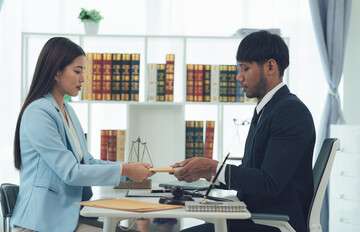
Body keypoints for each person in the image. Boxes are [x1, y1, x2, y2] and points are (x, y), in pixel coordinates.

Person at [172, 30, 316, 232]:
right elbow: (253, 173)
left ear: (270, 66)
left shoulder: (290, 112)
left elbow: (269, 183)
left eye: (245, 68)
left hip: (271, 223)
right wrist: (206, 172)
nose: (238, 77)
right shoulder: (269, 108)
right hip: (254, 217)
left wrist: (214, 168)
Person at [11, 37, 154, 232]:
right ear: (55, 72)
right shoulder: (38, 112)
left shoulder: (66, 110)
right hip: (41, 223)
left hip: (68, 218)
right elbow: (71, 172)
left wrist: (128, 169)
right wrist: (125, 170)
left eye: (83, 72)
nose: (83, 79)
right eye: (77, 71)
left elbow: (86, 162)